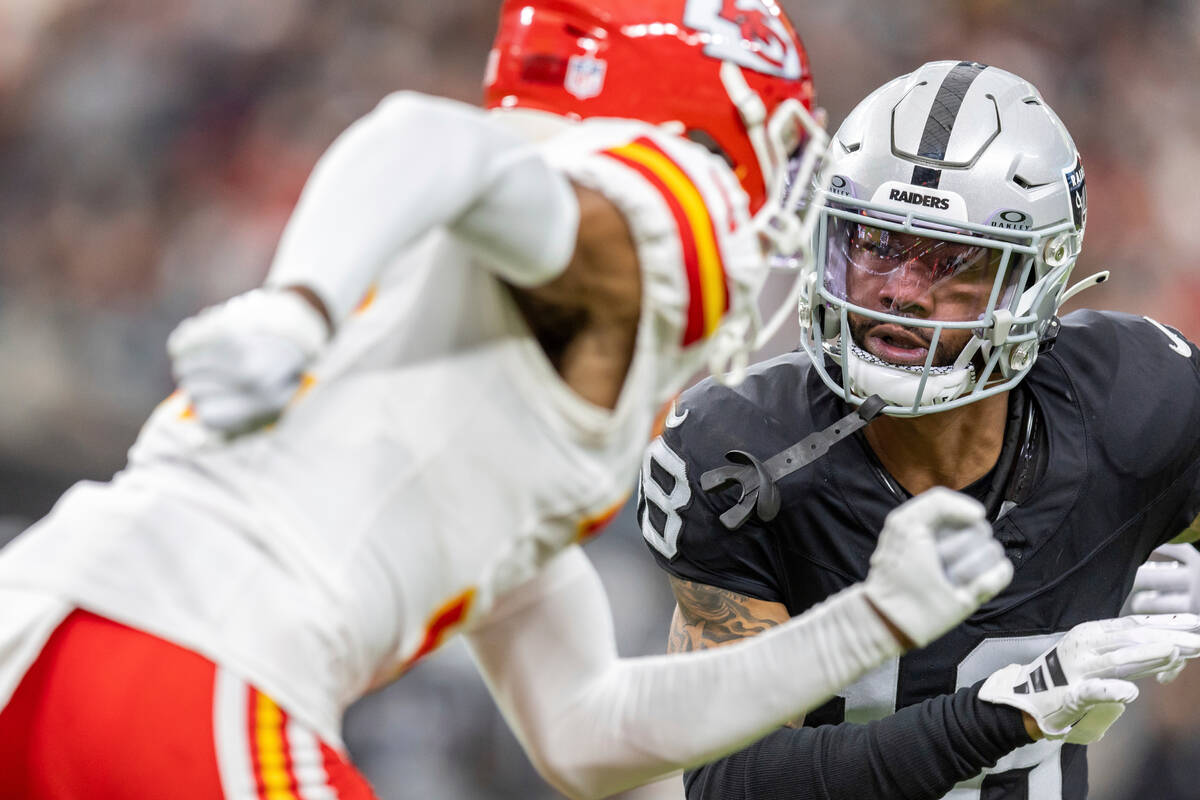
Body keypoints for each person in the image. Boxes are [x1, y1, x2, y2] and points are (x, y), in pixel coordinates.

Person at [0, 9, 1019, 800]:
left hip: (50, 623)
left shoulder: (498, 356)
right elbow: (427, 138)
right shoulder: (665, 212)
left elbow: (585, 727)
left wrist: (867, 622)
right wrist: (295, 305)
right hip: (193, 652)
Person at [640, 60, 1200, 800]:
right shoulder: (738, 448)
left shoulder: (1140, 398)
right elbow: (731, 780)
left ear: (1036, 278)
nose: (901, 290)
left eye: (950, 258)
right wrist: (1000, 717)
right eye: (875, 242)